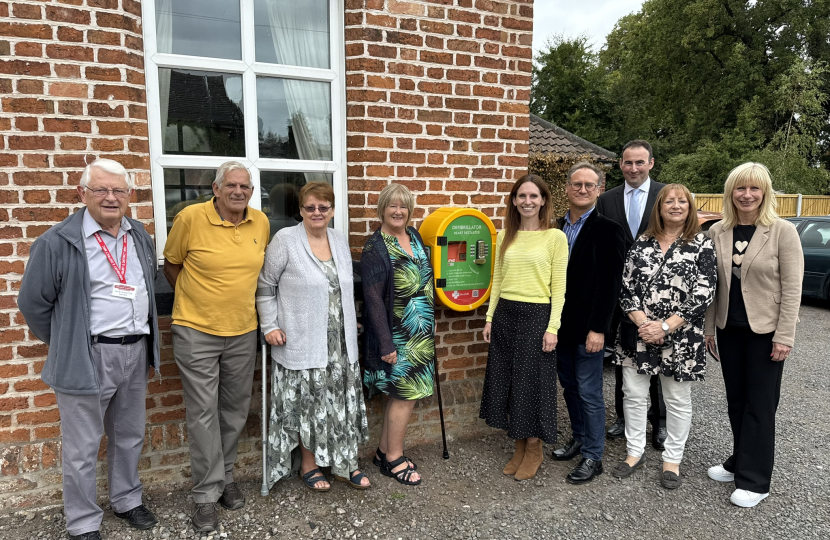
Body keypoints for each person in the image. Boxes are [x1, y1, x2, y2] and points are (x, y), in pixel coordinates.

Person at [18, 159, 160, 540]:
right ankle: (82, 521)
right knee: (82, 446)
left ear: (129, 196)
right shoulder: (57, 242)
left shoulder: (140, 236)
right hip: (89, 354)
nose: (111, 197)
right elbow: (33, 303)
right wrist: (68, 343)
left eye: (119, 190)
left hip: (134, 351)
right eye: (102, 190)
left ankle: (127, 500)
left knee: (129, 434)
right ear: (83, 194)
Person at [162, 161, 269, 532]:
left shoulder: (261, 222)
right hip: (196, 330)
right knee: (203, 412)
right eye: (232, 185)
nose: (239, 192)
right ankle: (206, 495)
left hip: (242, 330)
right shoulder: (190, 218)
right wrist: (197, 301)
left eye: (246, 186)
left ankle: (225, 476)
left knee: (235, 410)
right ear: (216, 188)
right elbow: (172, 266)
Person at [257, 181, 370, 491]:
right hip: (302, 340)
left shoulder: (338, 239)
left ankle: (345, 463)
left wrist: (351, 323)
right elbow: (265, 285)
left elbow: (341, 288)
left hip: (340, 344)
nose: (317, 212)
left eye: (323, 207)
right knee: (311, 405)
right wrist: (270, 326)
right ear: (301, 210)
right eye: (310, 207)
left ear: (332, 210)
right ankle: (309, 465)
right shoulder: (286, 240)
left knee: (340, 405)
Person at [704, 163, 803, 507]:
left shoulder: (782, 231)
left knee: (760, 406)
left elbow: (792, 288)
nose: (747, 195)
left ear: (765, 193)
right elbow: (710, 285)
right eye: (740, 188)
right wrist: (708, 328)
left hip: (766, 334)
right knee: (736, 403)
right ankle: (739, 461)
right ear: (731, 193)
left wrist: (785, 336)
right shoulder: (718, 231)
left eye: (754, 189)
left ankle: (756, 480)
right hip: (729, 331)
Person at [610, 184, 716, 489]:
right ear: (659, 207)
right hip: (639, 333)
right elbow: (625, 287)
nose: (676, 205)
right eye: (669, 201)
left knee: (677, 399)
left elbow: (704, 292)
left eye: (682, 201)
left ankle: (672, 459)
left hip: (681, 337)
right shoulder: (642, 243)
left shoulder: (701, 244)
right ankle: (634, 452)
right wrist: (644, 324)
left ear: (690, 207)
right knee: (633, 394)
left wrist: (665, 326)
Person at [479, 174, 568, 481]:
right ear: (514, 201)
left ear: (543, 200)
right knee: (509, 380)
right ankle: (518, 445)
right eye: (521, 196)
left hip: (537, 315)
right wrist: (490, 317)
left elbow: (559, 287)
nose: (527, 201)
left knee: (532, 382)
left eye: (534, 196)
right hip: (505, 312)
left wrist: (553, 327)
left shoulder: (555, 237)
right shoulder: (505, 235)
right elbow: (498, 280)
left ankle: (534, 447)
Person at [552, 162, 626, 484]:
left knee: (589, 391)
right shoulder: (554, 228)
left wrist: (599, 328)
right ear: (567, 188)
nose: (582, 190)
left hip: (589, 329)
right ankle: (579, 437)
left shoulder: (609, 230)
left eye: (589, 185)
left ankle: (594, 456)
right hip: (559, 326)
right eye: (576, 184)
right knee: (568, 386)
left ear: (599, 189)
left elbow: (610, 284)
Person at [361, 183, 435, 486]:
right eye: (392, 205)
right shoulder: (375, 247)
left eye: (403, 206)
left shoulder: (414, 236)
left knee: (403, 396)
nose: (398, 211)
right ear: (382, 208)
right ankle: (394, 459)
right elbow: (373, 299)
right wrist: (386, 343)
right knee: (404, 396)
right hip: (396, 336)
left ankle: (383, 452)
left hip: (419, 332)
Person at [596, 140, 667, 448]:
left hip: (656, 294)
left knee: (656, 356)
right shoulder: (607, 199)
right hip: (616, 291)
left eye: (640, 162)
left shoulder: (666, 196)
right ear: (621, 165)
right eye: (628, 163)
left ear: (651, 163)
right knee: (621, 356)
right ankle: (624, 418)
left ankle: (660, 422)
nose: (633, 168)